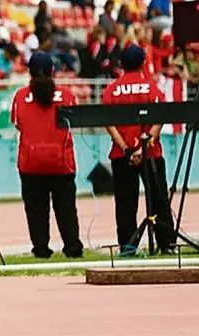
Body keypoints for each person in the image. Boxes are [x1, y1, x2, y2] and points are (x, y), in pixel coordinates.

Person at [101, 44, 177, 256]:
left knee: (125, 203)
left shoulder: (112, 89)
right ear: (143, 62)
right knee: (160, 200)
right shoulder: (152, 88)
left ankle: (128, 245)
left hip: (121, 155)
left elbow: (109, 122)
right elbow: (159, 119)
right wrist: (143, 150)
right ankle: (166, 243)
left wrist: (126, 149)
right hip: (151, 153)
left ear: (121, 64)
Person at [10, 51, 84, 259]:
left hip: (31, 163)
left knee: (36, 210)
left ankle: (41, 248)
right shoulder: (67, 95)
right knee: (66, 208)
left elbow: (18, 124)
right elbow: (74, 124)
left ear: (29, 72)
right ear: (53, 71)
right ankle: (72, 247)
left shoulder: (20, 96)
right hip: (62, 163)